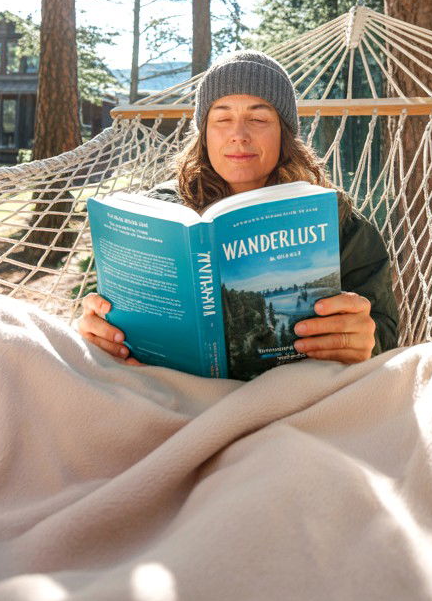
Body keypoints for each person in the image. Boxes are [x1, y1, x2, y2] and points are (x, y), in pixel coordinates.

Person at [78, 50, 398, 370]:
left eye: (258, 119)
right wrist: (99, 328)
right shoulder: (156, 215)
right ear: (204, 134)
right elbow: (111, 316)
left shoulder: (339, 222)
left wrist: (366, 340)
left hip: (296, 393)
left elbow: (384, 334)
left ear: (284, 134)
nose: (239, 136)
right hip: (167, 387)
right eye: (222, 118)